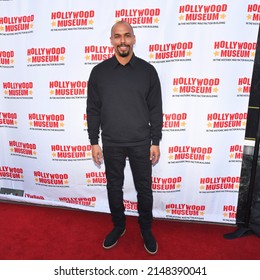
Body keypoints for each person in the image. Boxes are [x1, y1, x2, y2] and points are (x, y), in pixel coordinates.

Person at [87, 21, 163, 255]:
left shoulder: (147, 71)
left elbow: (155, 108)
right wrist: (93, 142)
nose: (123, 41)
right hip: (111, 142)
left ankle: (146, 229)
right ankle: (119, 226)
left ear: (134, 39)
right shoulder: (99, 72)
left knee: (145, 190)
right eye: (117, 36)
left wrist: (155, 141)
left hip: (141, 142)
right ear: (111, 40)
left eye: (127, 36)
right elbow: (93, 109)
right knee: (114, 188)